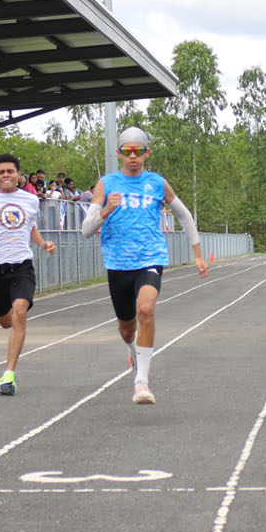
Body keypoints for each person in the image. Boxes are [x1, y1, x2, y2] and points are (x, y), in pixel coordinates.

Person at [81, 126, 208, 405]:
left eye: (138, 151)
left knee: (146, 309)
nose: (133, 157)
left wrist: (197, 253)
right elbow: (86, 230)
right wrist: (106, 210)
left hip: (150, 257)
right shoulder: (107, 184)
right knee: (127, 328)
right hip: (118, 263)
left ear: (147, 153)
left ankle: (142, 382)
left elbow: (185, 216)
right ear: (119, 154)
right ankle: (132, 348)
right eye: (127, 152)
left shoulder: (157, 183)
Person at [0, 153, 56, 395]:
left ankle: (8, 375)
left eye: (10, 171)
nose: (6, 175)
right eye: (1, 172)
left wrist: (42, 243)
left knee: (20, 312)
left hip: (22, 266)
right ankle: (9, 327)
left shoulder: (30, 200)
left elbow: (30, 226)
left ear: (18, 175)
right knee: (5, 321)